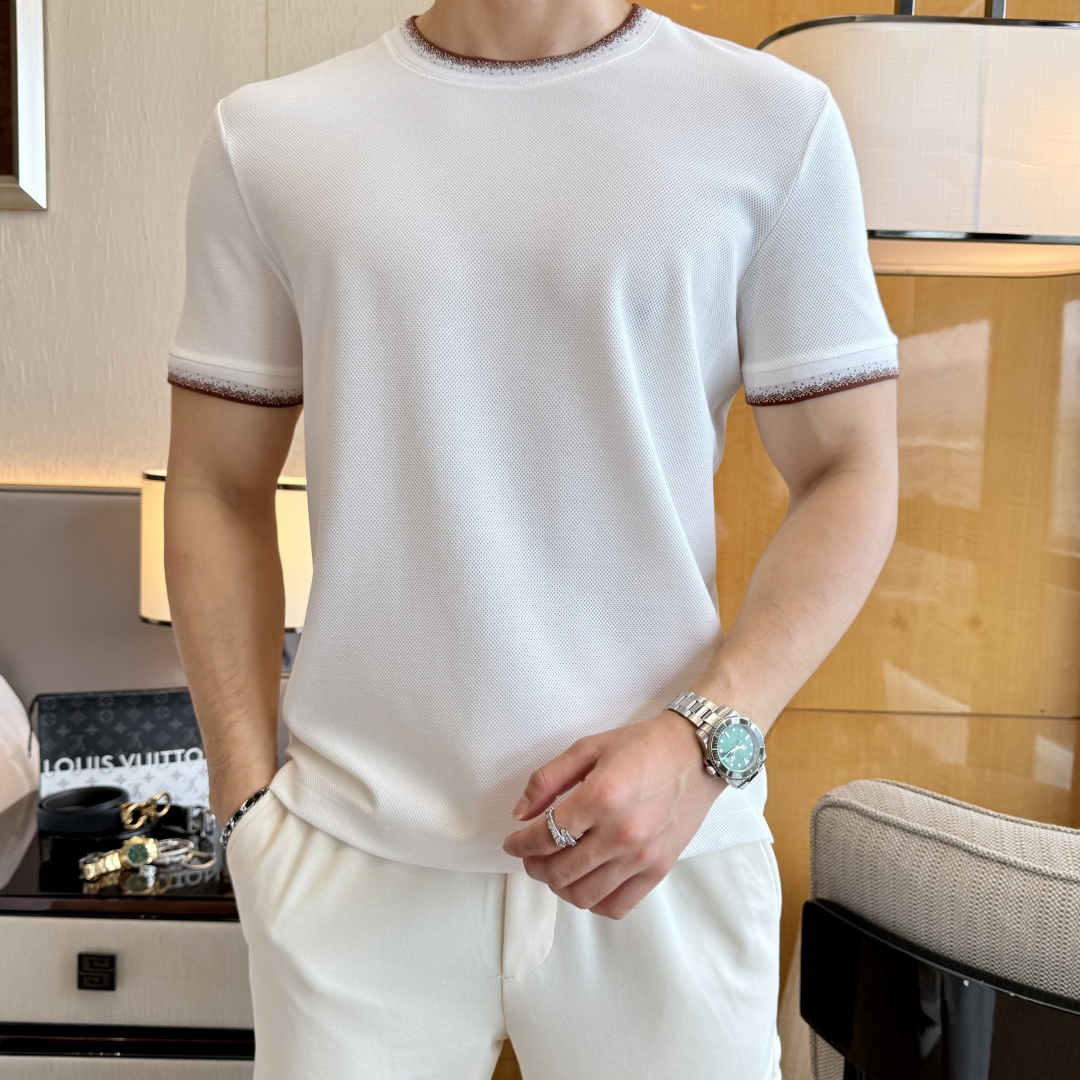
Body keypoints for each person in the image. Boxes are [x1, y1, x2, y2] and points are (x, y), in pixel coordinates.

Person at [162, 2, 899, 1077]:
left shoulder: (773, 122)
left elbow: (851, 470)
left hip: (665, 841)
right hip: (348, 859)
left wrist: (707, 743)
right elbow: (216, 488)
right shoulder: (270, 139)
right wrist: (247, 810)